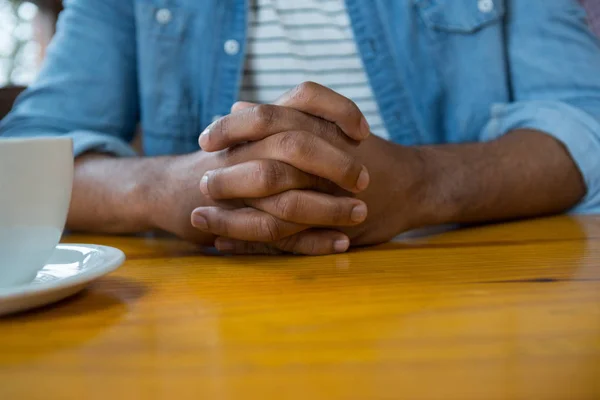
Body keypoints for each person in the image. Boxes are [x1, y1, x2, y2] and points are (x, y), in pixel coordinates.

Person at [2, 0, 600, 256]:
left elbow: (586, 117)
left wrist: (422, 185)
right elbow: (25, 156)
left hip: (475, 289)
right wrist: (168, 189)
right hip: (206, 305)